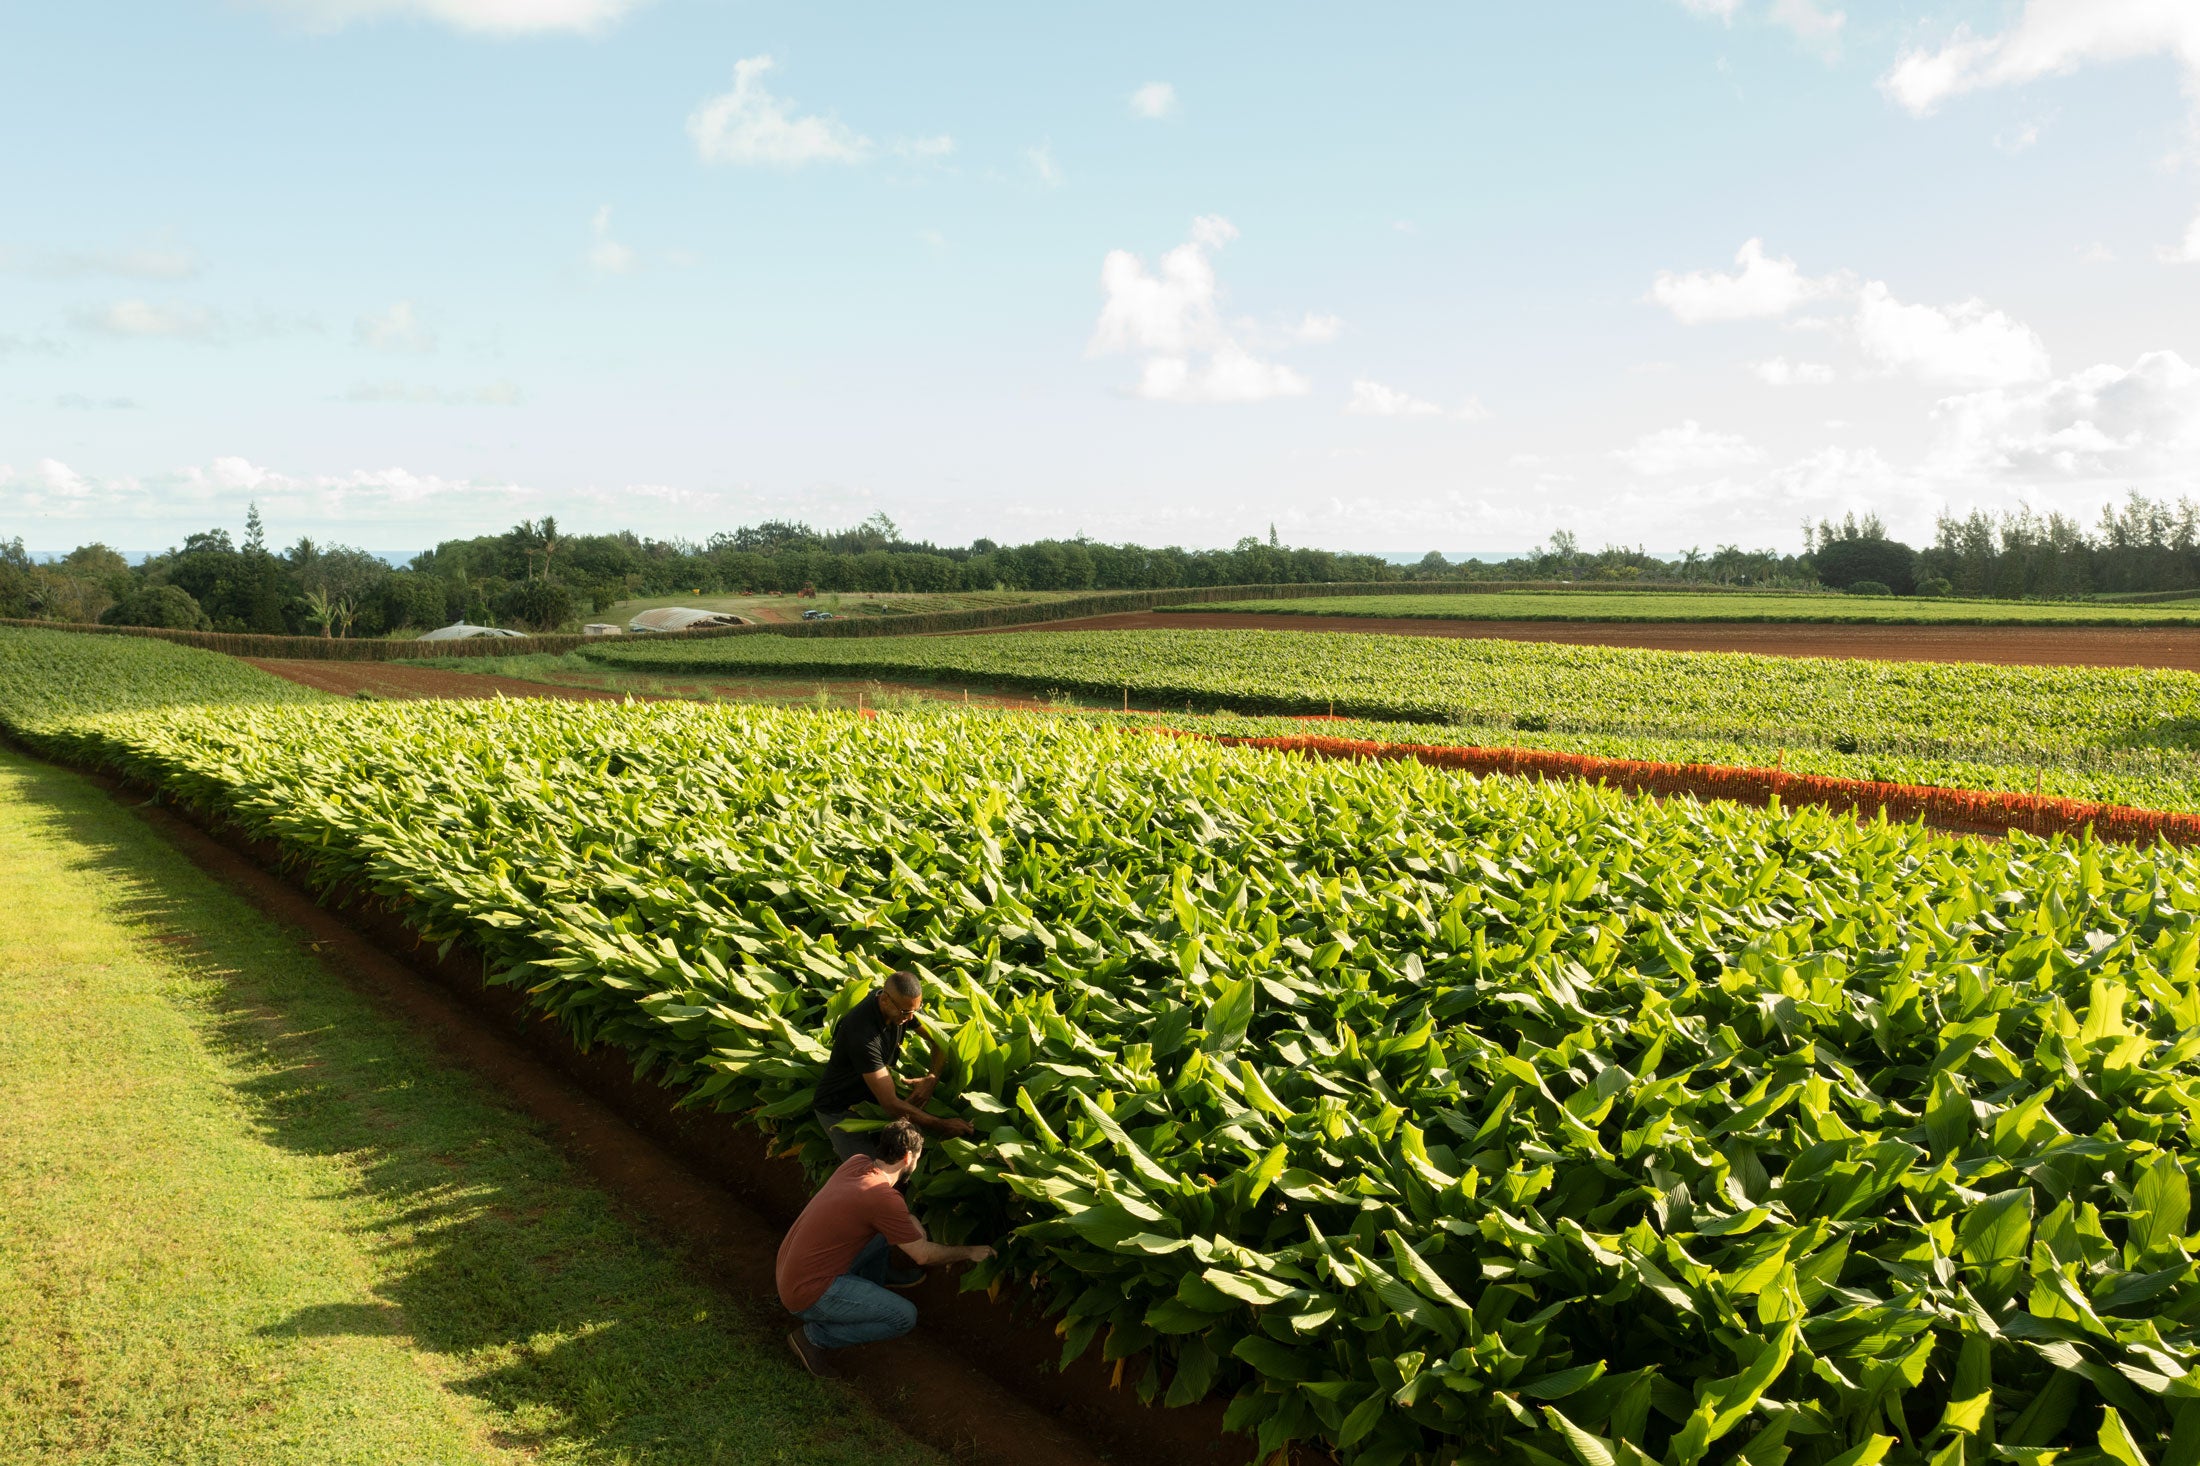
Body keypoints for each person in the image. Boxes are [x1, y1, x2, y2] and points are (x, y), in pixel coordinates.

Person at [778, 1119, 995, 1377]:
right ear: (907, 1157)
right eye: (917, 1157)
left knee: (882, 1234)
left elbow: (887, 1214)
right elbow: (923, 1255)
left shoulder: (857, 1163)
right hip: (808, 1294)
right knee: (904, 1317)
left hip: (789, 1273)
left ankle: (874, 1284)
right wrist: (970, 1252)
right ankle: (814, 1337)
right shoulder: (883, 1198)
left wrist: (909, 1219)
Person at [812, 970, 976, 1162]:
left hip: (870, 1101)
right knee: (869, 1170)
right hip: (840, 1109)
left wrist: (932, 1078)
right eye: (906, 1012)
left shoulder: (903, 1007)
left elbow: (938, 1042)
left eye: (916, 1009)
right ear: (885, 1000)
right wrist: (943, 1124)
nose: (911, 1017)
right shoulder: (863, 1036)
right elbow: (890, 1104)